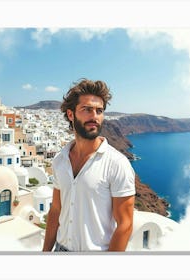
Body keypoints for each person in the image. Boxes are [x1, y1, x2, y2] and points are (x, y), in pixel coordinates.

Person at [42, 79, 135, 252]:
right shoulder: (60, 160)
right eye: (87, 109)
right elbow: (56, 210)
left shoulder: (117, 164)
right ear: (71, 115)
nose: (94, 116)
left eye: (99, 111)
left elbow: (125, 225)